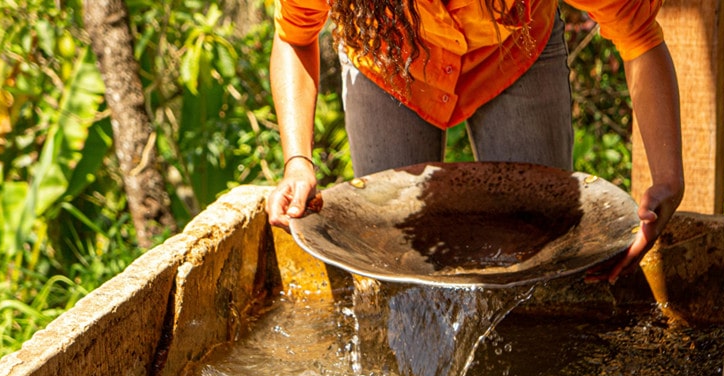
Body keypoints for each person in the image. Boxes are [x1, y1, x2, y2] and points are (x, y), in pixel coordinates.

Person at [266, 0, 684, 283]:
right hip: (388, 54)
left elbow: (638, 37)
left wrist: (668, 178)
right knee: (390, 260)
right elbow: (294, 37)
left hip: (514, 47)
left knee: (544, 252)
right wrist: (297, 162)